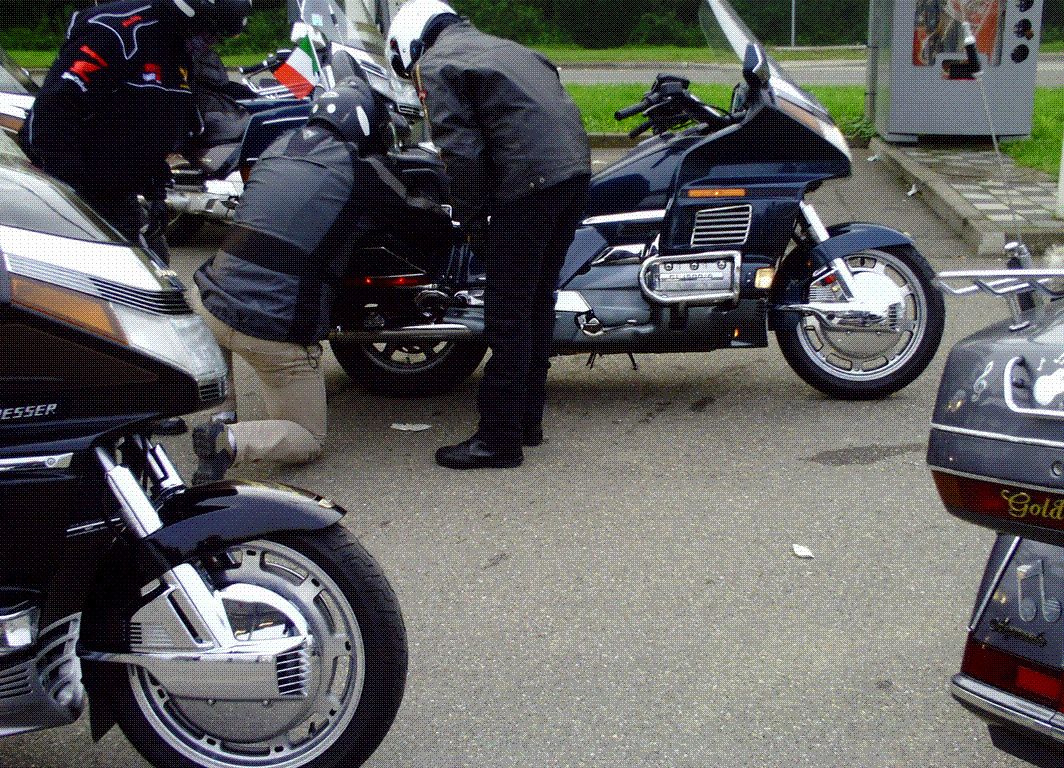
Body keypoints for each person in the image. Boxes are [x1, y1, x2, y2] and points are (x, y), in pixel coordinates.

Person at [190, 79, 454, 484]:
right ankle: (228, 441)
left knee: (223, 346)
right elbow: (417, 218)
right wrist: (445, 214)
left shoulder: (275, 149)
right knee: (307, 437)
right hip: (270, 325)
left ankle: (217, 420)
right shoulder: (359, 169)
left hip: (208, 300)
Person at [387, 0, 592, 470]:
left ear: (409, 44)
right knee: (536, 304)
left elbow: (461, 152)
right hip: (572, 176)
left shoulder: (438, 63)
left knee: (507, 315)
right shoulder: (509, 49)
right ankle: (527, 423)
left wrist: (473, 221)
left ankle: (498, 441)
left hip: (529, 184)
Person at [19, 0, 251, 264]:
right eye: (208, 32)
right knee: (125, 275)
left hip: (120, 189)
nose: (209, 42)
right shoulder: (115, 32)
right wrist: (71, 186)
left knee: (155, 265)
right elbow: (52, 111)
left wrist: (155, 185)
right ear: (186, 13)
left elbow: (154, 121)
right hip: (74, 189)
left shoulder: (178, 45)